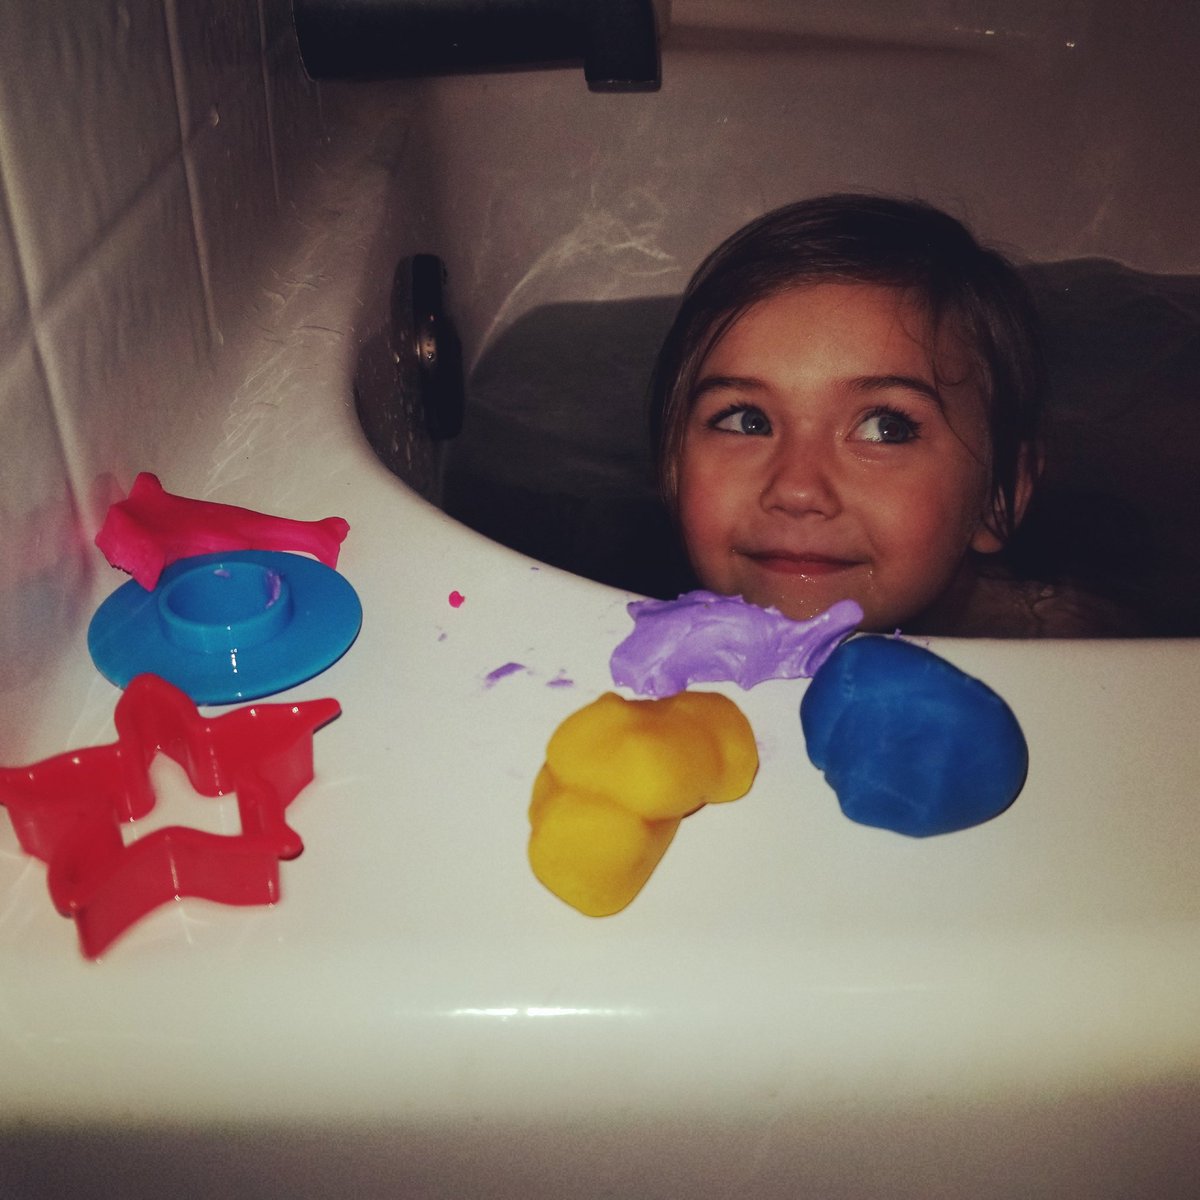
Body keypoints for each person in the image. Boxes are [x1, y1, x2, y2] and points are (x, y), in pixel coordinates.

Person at [648, 193, 1134, 636]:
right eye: (746, 421)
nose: (796, 491)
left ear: (996, 496)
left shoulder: (1064, 644)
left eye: (886, 428)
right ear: (672, 466)